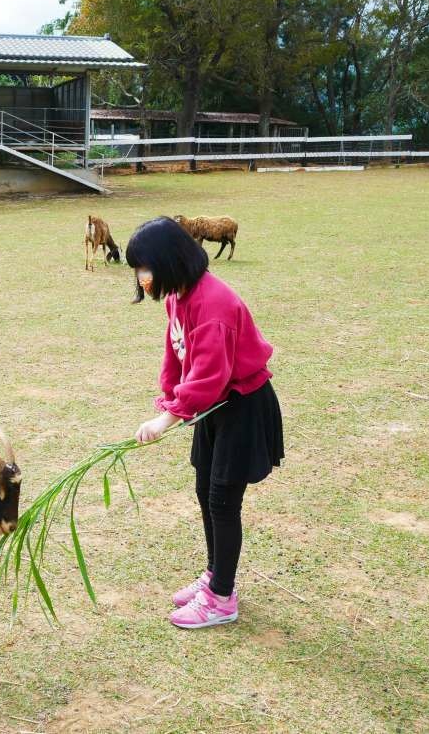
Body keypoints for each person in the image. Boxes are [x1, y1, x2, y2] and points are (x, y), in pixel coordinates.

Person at [127, 217, 283, 630]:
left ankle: (221, 598)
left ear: (168, 260)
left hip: (241, 406)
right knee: (204, 488)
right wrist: (169, 400)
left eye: (145, 268)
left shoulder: (213, 304)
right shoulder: (179, 296)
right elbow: (177, 357)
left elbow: (211, 374)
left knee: (222, 501)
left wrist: (168, 417)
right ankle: (215, 576)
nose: (142, 278)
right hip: (214, 406)